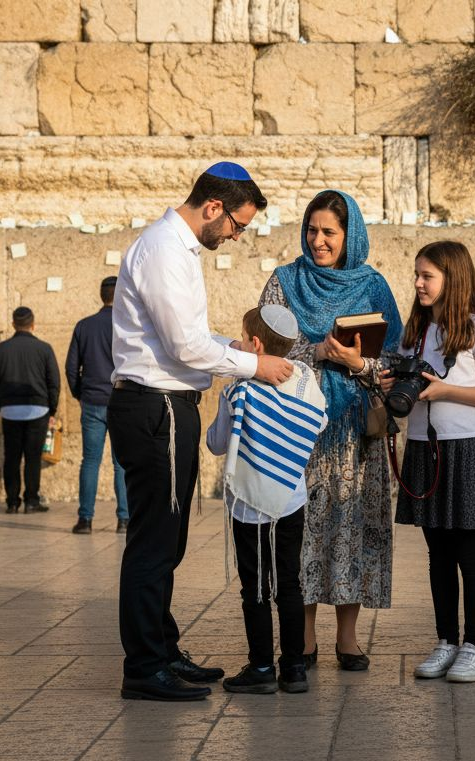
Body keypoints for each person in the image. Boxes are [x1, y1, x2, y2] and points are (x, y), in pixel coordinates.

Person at [109, 161, 294, 703]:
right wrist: (255, 367)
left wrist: (229, 348)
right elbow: (185, 350)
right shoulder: (166, 250)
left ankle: (162, 650)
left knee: (169, 539)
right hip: (156, 408)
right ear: (214, 207)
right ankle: (144, 665)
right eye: (237, 224)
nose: (237, 236)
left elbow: (189, 336)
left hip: (168, 405)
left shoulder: (178, 248)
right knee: (155, 542)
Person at [261, 190, 403, 672]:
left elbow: (398, 360)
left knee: (352, 529)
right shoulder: (284, 282)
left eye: (329, 233)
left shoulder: (372, 286)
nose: (317, 241)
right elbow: (265, 349)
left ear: (350, 236)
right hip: (299, 432)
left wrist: (358, 362)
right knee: (302, 532)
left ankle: (348, 636)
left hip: (354, 436)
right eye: (311, 230)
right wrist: (319, 353)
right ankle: (303, 636)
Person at [387, 241, 475, 684]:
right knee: (437, 552)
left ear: (451, 279)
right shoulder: (414, 331)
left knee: (469, 551)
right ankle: (445, 641)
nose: (418, 283)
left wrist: (442, 390)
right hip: (423, 444)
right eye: (417, 274)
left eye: (427, 276)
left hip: (465, 445)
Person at [206, 305, 327, 695]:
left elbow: (216, 443)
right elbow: (318, 421)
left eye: (241, 338)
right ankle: (294, 668)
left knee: (255, 587)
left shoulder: (239, 389)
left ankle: (260, 668)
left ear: (255, 344)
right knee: (289, 583)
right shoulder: (306, 379)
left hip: (250, 505)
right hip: (291, 498)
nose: (237, 344)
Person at [67, 276, 128, 535]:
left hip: (91, 401)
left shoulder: (84, 326)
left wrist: (79, 393)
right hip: (121, 401)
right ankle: (125, 520)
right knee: (121, 463)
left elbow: (72, 367)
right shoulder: (128, 326)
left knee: (90, 461)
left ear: (101, 295)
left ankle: (85, 520)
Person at [0, 306, 60, 515]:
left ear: (13, 325)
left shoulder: (0, 350)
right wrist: (51, 409)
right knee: (33, 457)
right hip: (38, 409)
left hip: (10, 410)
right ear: (33, 324)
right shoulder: (44, 349)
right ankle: (31, 500)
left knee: (12, 457)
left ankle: (11, 502)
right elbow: (53, 382)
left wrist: (0, 405)